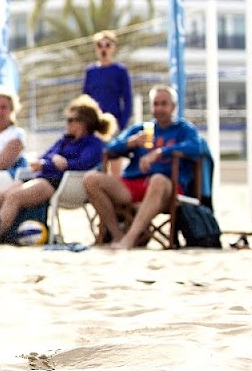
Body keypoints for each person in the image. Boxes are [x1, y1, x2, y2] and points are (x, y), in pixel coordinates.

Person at [83, 85, 202, 249]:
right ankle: (117, 235)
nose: (159, 108)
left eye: (163, 104)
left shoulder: (183, 129)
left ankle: (130, 238)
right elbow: (109, 149)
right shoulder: (141, 129)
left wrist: (161, 152)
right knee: (91, 179)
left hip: (167, 188)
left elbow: (196, 148)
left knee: (158, 180)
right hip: (133, 184)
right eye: (155, 104)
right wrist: (131, 143)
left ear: (173, 107)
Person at [0, 95, 115, 239]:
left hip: (59, 183)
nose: (67, 123)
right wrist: (52, 162)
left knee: (14, 197)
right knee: (0, 195)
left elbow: (83, 164)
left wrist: (58, 164)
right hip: (43, 177)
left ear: (83, 123)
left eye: (71, 120)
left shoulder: (93, 144)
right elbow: (46, 157)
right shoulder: (65, 140)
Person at [81, 30, 133, 133]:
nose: (103, 49)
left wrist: (122, 123)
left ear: (113, 47)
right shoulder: (90, 71)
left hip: (114, 122)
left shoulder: (120, 70)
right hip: (93, 123)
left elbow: (127, 99)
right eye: (100, 45)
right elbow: (85, 98)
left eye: (107, 45)